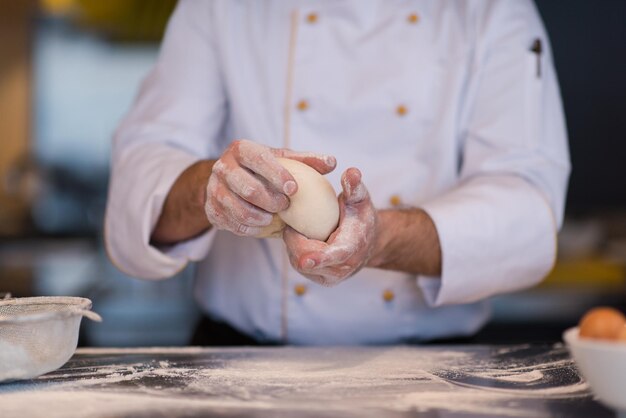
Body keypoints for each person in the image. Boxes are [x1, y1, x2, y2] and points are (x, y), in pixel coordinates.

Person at [105, 0, 570, 345]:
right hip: (243, 365)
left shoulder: (492, 10)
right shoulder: (221, 8)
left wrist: (379, 238)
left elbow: (527, 209)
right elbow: (140, 181)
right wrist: (216, 188)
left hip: (432, 372)